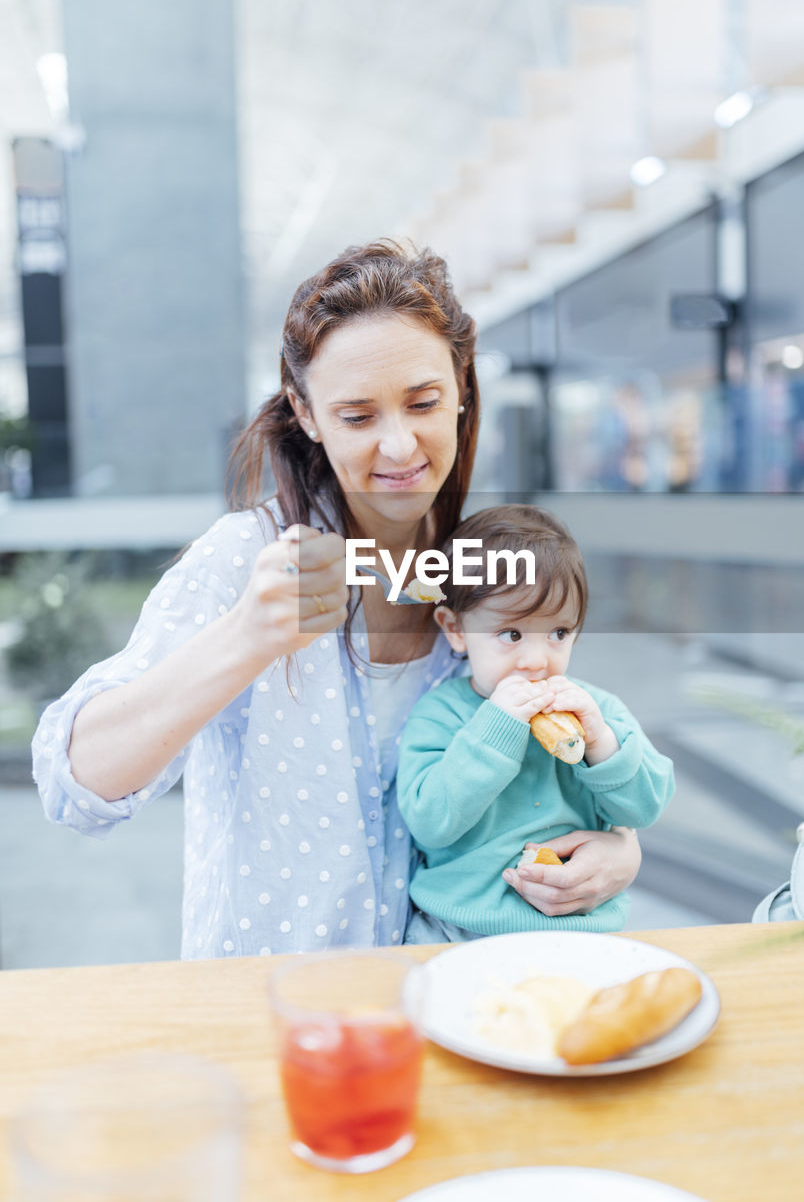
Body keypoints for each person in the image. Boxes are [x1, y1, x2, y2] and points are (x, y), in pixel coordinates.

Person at [32, 239, 642, 958]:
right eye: (356, 416)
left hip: (455, 1004)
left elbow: (549, 766)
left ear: (462, 387)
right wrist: (245, 638)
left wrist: (618, 846)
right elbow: (72, 786)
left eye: (423, 403)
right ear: (306, 411)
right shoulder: (245, 558)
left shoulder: (485, 571)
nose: (397, 446)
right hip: (279, 1013)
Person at [397, 504, 674, 943]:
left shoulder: (596, 710)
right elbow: (431, 822)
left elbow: (646, 805)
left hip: (579, 931)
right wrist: (497, 728)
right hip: (454, 930)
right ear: (455, 629)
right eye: (511, 635)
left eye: (559, 633)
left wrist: (601, 743)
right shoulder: (441, 715)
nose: (536, 660)